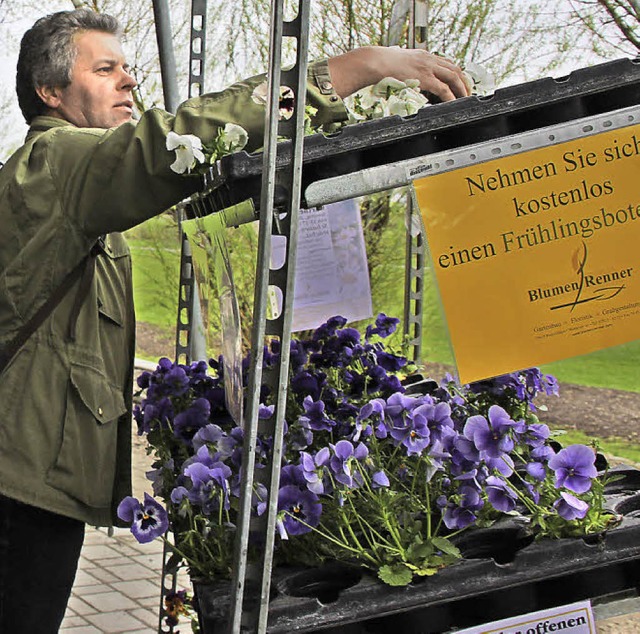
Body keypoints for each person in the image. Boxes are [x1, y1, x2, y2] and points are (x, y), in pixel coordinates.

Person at [0, 8, 470, 632]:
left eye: (129, 69)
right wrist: (358, 69)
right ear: (50, 91)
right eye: (105, 68)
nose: (129, 84)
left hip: (30, 478)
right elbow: (171, 141)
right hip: (17, 487)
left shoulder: (76, 184)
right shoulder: (54, 164)